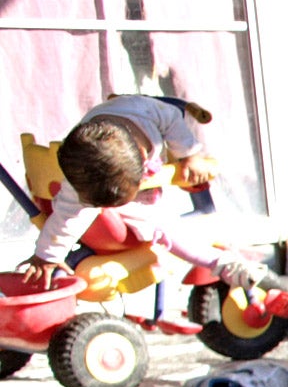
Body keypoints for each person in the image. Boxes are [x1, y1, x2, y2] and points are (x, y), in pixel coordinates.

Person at [16, 95, 228, 290]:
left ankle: (224, 263)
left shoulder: (148, 113)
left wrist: (188, 154)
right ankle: (215, 261)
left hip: (138, 121)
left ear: (144, 165)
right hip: (113, 172)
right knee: (161, 226)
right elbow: (66, 215)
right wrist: (46, 256)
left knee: (164, 224)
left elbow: (173, 117)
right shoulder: (83, 171)